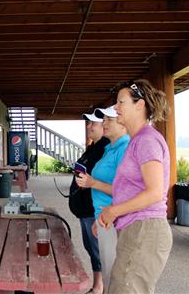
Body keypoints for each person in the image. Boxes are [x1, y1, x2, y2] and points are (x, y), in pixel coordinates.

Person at [100, 79, 173, 294]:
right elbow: (129, 188)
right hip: (135, 228)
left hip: (145, 230)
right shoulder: (137, 140)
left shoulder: (147, 140)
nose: (115, 108)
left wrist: (114, 211)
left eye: (121, 102)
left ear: (139, 105)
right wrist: (107, 216)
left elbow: (154, 192)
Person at [76, 105, 130, 293]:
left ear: (123, 124)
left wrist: (93, 183)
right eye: (103, 119)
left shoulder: (124, 148)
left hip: (113, 219)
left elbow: (127, 192)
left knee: (116, 275)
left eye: (108, 120)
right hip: (101, 217)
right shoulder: (109, 148)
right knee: (108, 273)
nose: (103, 123)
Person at [69, 112, 109, 294]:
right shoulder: (93, 148)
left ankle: (101, 287)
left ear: (104, 126)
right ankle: (98, 285)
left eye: (92, 123)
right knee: (91, 249)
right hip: (84, 210)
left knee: (99, 251)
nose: (88, 127)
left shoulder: (106, 149)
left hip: (94, 211)